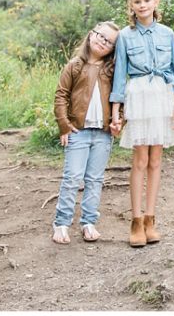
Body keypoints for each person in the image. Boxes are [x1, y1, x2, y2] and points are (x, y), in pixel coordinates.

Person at [110, 0, 174, 247]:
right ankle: (136, 221)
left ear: (156, 3)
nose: (143, 5)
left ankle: (151, 219)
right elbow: (119, 77)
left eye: (147, 0)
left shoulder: (167, 34)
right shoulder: (125, 36)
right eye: (137, 2)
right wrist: (116, 112)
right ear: (131, 6)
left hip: (162, 96)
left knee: (156, 160)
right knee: (140, 160)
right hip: (139, 96)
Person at [51, 21, 122, 244]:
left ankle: (89, 222)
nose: (103, 42)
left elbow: (120, 98)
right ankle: (61, 223)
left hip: (102, 133)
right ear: (91, 35)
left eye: (109, 41)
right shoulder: (74, 65)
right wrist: (64, 124)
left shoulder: (112, 70)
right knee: (72, 178)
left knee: (95, 179)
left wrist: (119, 121)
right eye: (101, 36)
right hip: (78, 131)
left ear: (113, 48)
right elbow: (61, 96)